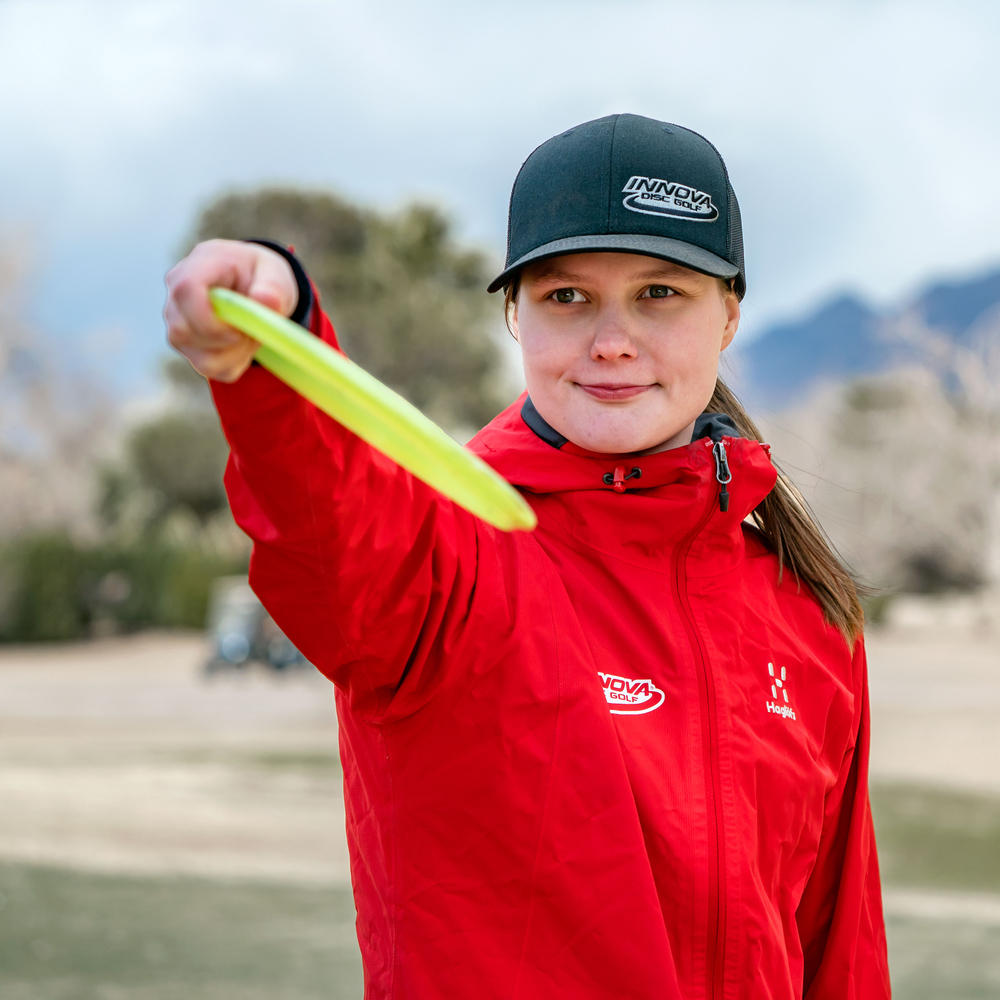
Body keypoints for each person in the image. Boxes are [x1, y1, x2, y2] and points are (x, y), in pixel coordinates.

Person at [163, 113, 891, 999]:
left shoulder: (804, 609)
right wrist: (280, 335)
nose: (612, 341)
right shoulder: (446, 556)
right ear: (516, 315)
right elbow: (331, 514)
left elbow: (842, 948)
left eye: (661, 293)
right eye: (565, 297)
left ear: (730, 315)